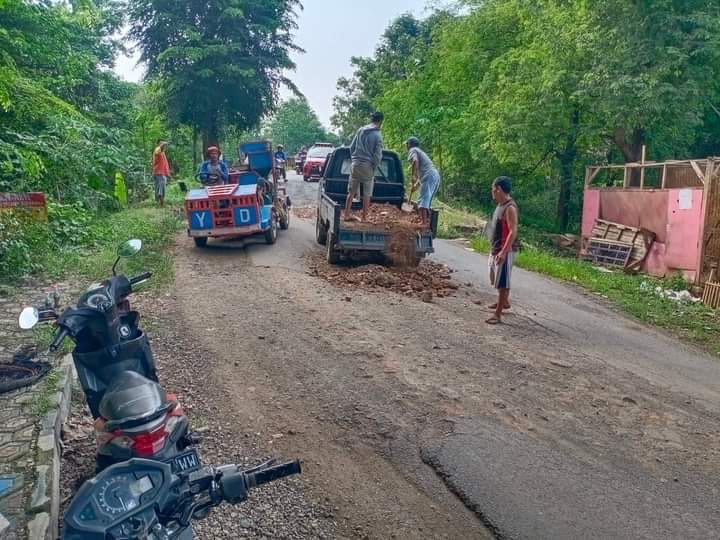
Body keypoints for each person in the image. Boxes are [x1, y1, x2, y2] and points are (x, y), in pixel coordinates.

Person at [486, 176, 519, 325]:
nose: (492, 192)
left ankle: (498, 314)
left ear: (498, 189)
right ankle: (504, 302)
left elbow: (513, 231)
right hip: (496, 248)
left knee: (503, 282)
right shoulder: (500, 205)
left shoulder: (510, 208)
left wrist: (504, 252)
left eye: (493, 189)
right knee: (495, 278)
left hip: (505, 250)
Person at [344, 111, 384, 222]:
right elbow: (377, 155)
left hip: (355, 164)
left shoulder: (360, 130)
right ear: (381, 121)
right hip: (367, 166)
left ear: (371, 119)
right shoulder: (378, 135)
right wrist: (373, 167)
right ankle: (364, 218)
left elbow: (351, 147)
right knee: (367, 193)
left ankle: (346, 215)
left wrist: (354, 160)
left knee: (351, 191)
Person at [405, 137, 440, 226]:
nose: (406, 146)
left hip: (429, 175)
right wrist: (415, 187)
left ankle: (423, 222)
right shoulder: (420, 152)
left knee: (423, 199)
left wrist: (413, 175)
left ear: (409, 144)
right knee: (426, 199)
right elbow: (422, 177)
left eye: (407, 144)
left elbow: (415, 161)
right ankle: (426, 221)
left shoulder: (413, 150)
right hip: (434, 175)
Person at [152, 139, 170, 207]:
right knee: (161, 187)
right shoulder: (157, 150)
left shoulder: (163, 153)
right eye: (161, 144)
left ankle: (159, 201)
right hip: (158, 172)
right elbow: (157, 152)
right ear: (159, 144)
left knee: (159, 186)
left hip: (161, 172)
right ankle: (160, 201)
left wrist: (167, 173)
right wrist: (162, 144)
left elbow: (165, 164)